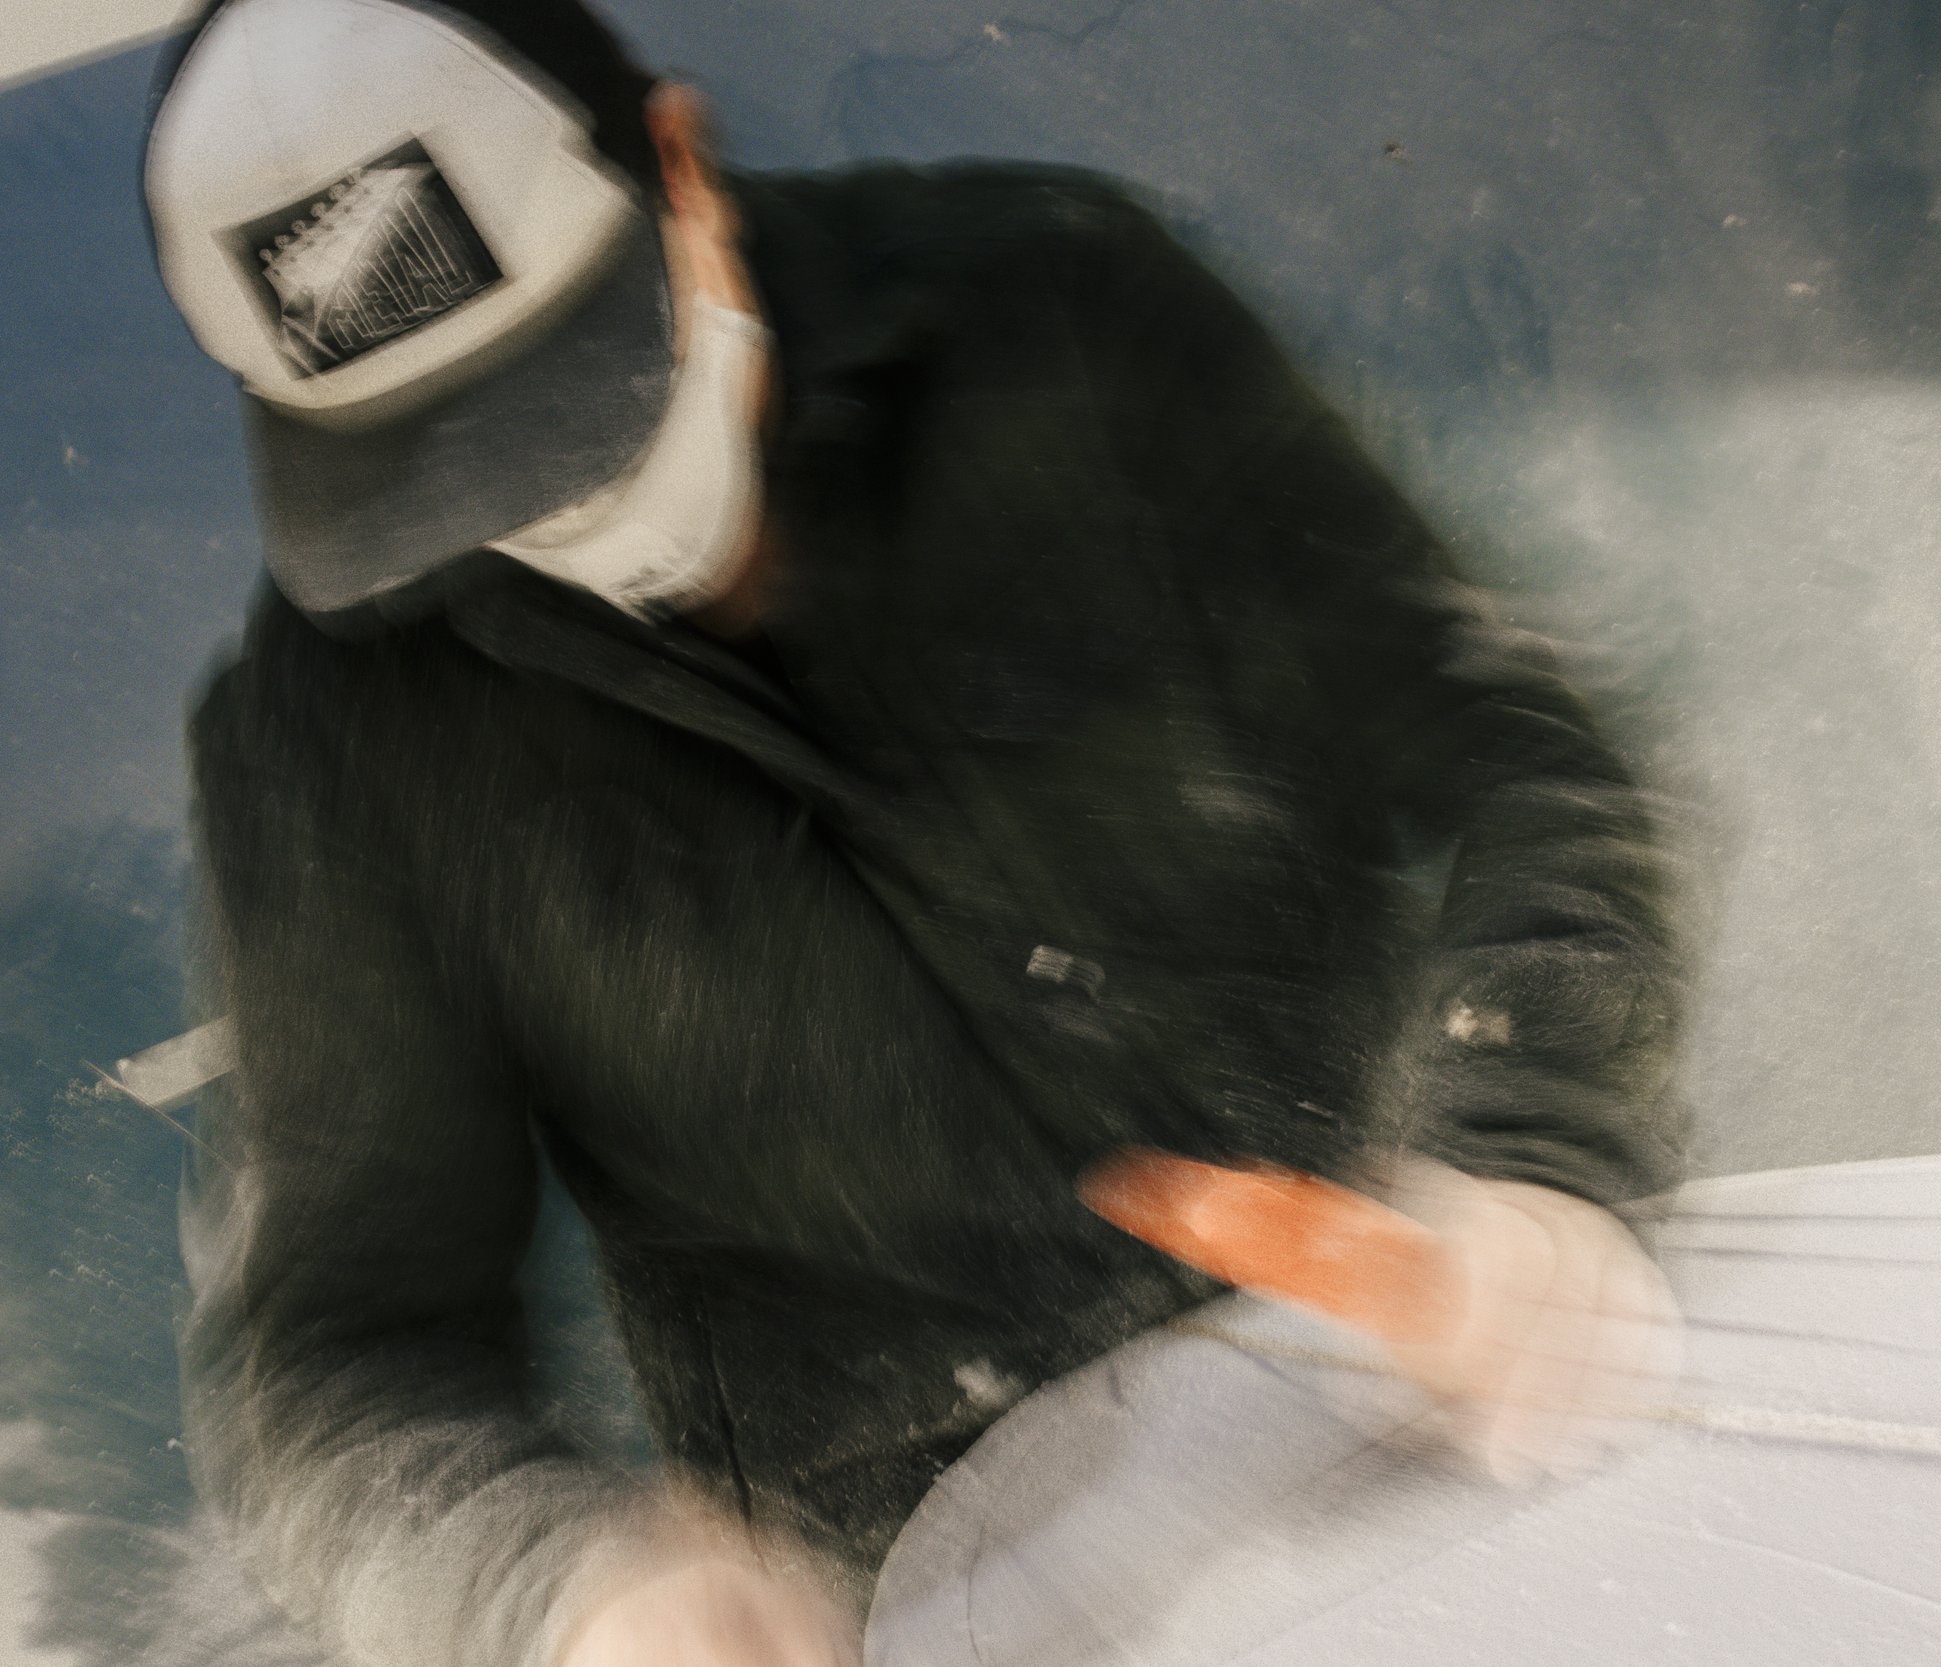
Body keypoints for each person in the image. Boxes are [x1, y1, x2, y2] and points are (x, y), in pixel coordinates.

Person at [143, 2, 1688, 1663]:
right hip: (952, 1606)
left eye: (570, 397)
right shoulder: (333, 737)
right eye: (439, 474)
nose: (552, 509)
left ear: (679, 163)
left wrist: (1530, 1143)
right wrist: (558, 1591)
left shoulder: (1064, 315)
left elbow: (1514, 743)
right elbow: (339, 1363)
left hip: (1467, 1446)